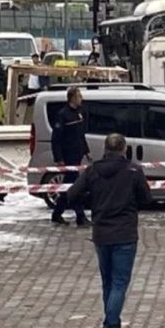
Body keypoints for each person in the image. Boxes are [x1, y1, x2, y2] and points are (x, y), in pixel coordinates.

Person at [68, 133, 153, 328]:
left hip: (102, 234)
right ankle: (109, 326)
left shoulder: (93, 171)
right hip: (124, 233)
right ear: (124, 148)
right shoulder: (133, 171)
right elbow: (146, 199)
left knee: (108, 282)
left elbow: (72, 195)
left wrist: (92, 203)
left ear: (105, 149)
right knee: (119, 283)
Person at [51, 86, 91, 227]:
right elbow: (56, 139)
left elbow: (80, 135)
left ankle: (57, 214)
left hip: (78, 155)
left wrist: (86, 151)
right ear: (72, 98)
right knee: (75, 187)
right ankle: (80, 216)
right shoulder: (63, 115)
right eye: (79, 96)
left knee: (69, 186)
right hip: (68, 156)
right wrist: (59, 159)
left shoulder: (80, 112)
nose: (81, 99)